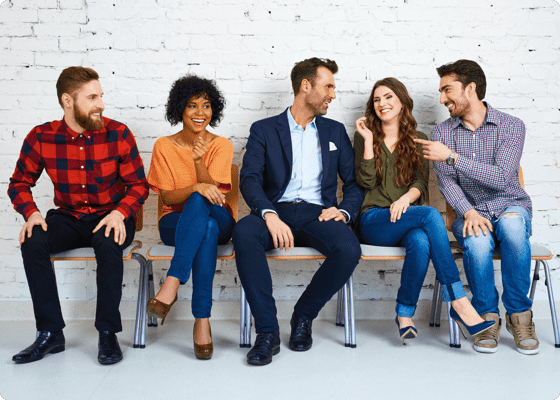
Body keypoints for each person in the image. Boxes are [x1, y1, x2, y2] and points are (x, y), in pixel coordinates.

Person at [8, 66, 149, 365]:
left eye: (101, 96)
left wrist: (121, 212)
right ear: (68, 101)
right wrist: (31, 213)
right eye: (92, 97)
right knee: (33, 241)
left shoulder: (119, 133)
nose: (101, 104)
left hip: (111, 214)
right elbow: (19, 182)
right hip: (68, 216)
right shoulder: (41, 136)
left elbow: (139, 185)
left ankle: (108, 333)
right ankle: (50, 333)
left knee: (109, 242)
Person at [232, 57, 364, 366]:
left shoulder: (333, 131)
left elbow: (354, 182)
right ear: (306, 86)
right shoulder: (264, 129)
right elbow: (249, 179)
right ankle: (267, 332)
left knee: (347, 248)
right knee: (243, 232)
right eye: (328, 86)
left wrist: (343, 212)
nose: (333, 93)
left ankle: (303, 316)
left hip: (317, 214)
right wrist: (268, 213)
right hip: (275, 211)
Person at [354, 77, 494, 344]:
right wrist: (369, 140)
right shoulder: (364, 136)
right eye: (376, 99)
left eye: (388, 97)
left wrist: (406, 199)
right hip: (374, 220)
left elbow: (419, 180)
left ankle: (404, 313)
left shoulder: (419, 139)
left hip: (407, 219)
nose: (381, 103)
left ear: (402, 101)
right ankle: (459, 301)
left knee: (420, 241)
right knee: (430, 214)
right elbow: (366, 182)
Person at [416, 59, 538, 355]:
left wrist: (452, 157)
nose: (442, 98)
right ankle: (486, 316)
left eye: (448, 89)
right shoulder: (442, 133)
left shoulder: (511, 126)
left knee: (510, 226)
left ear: (470, 88)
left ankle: (520, 316)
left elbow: (502, 177)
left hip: (511, 205)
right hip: (469, 211)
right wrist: (468, 212)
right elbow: (447, 185)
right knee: (479, 242)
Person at [146, 75, 235, 360]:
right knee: (203, 225)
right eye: (192, 106)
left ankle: (171, 283)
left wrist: (198, 162)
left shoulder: (221, 144)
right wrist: (196, 187)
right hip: (175, 223)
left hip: (220, 218)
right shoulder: (163, 145)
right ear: (179, 110)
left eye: (206, 106)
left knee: (203, 205)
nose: (200, 113)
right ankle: (202, 321)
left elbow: (214, 195)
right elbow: (168, 199)